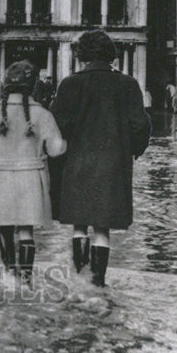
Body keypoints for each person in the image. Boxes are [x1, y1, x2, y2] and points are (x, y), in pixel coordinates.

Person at [50, 30, 151, 287]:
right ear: (111, 54)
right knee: (103, 227)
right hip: (113, 164)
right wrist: (133, 150)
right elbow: (141, 125)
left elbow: (56, 127)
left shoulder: (70, 84)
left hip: (77, 163)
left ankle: (80, 278)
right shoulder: (128, 84)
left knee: (79, 224)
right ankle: (98, 282)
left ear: (82, 55)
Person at [0, 60, 67, 282]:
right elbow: (56, 150)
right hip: (31, 181)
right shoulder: (42, 114)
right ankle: (25, 280)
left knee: (5, 228)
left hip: (0, 180)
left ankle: (8, 276)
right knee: (26, 230)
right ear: (33, 84)